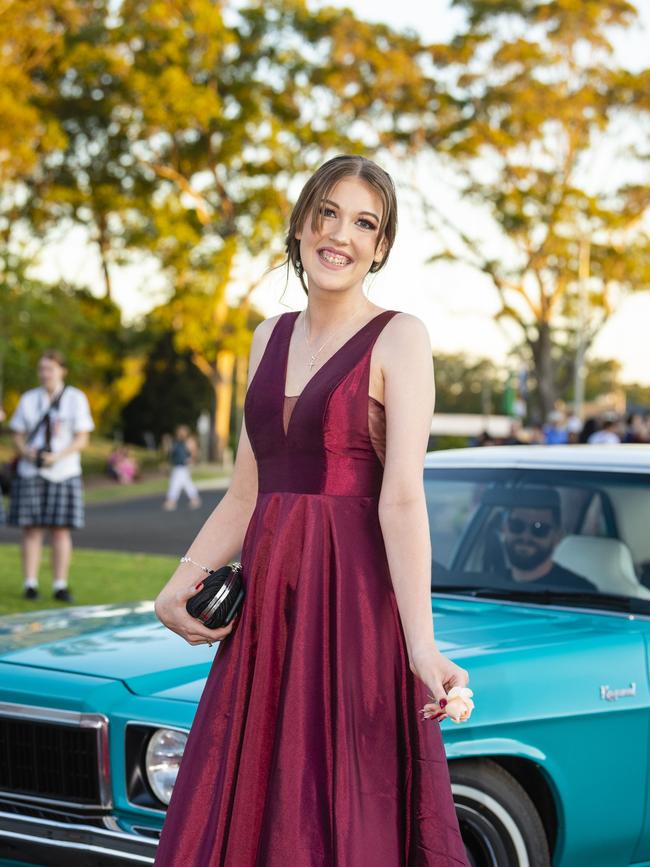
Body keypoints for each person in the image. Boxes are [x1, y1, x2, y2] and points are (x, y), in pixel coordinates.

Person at [152, 155, 471, 866]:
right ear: (300, 224)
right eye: (326, 213)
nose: (341, 235)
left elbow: (402, 496)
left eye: (365, 223)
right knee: (251, 811)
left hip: (354, 616)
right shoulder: (268, 337)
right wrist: (183, 579)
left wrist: (421, 645)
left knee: (343, 815)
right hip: (269, 616)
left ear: (381, 246)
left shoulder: (401, 336)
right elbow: (246, 491)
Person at [8, 350, 94, 601]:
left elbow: (82, 438)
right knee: (32, 530)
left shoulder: (75, 398)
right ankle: (30, 583)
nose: (45, 374)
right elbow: (17, 433)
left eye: (50, 369)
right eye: (42, 369)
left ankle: (60, 584)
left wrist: (57, 456)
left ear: (62, 371)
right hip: (31, 471)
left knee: (60, 530)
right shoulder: (29, 399)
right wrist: (26, 453)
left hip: (63, 472)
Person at [499, 489, 597, 591]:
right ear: (504, 529)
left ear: (557, 537)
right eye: (517, 525)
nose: (526, 537)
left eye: (539, 529)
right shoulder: (490, 585)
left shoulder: (581, 593)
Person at [162, 425, 201, 510]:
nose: (181, 434)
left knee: (175, 484)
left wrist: (192, 460)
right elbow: (170, 453)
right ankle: (194, 499)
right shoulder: (176, 443)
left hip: (182, 467)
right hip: (177, 467)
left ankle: (172, 501)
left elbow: (194, 452)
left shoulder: (188, 442)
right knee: (186, 483)